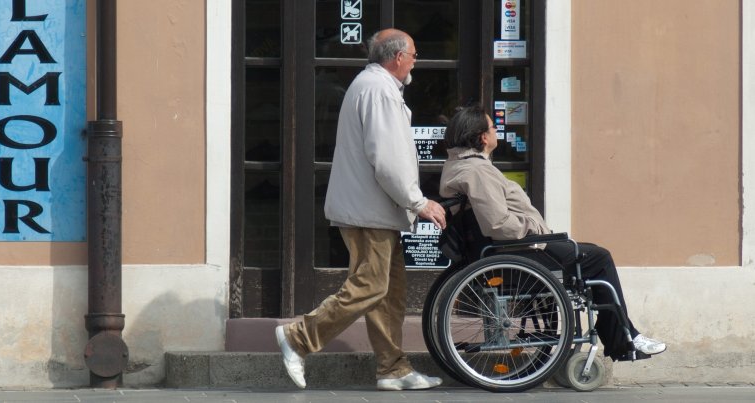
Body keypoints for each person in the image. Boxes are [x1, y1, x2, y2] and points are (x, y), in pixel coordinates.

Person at [275, 29, 448, 390]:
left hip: (374, 210)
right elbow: (388, 159)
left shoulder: (375, 87)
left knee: (388, 292)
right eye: (414, 54)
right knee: (370, 286)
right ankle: (298, 337)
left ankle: (393, 369)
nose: (416, 60)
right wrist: (418, 202)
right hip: (369, 211)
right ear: (397, 57)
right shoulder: (379, 90)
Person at [438, 104, 666, 361]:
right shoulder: (477, 171)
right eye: (493, 127)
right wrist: (535, 229)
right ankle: (623, 335)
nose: (496, 131)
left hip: (512, 250)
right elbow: (498, 225)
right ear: (482, 137)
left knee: (589, 254)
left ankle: (621, 332)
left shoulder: (461, 166)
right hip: (518, 250)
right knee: (599, 258)